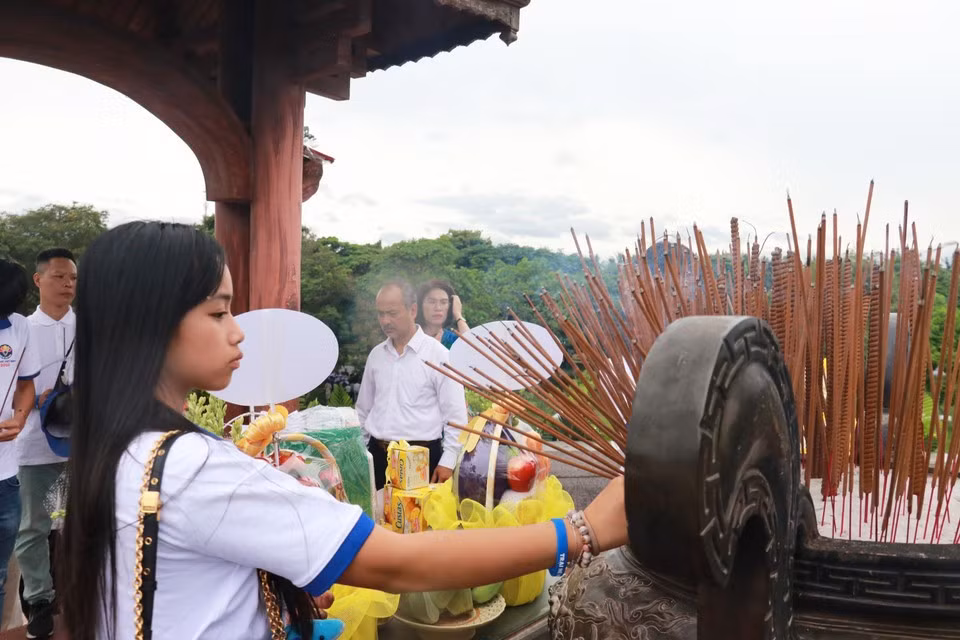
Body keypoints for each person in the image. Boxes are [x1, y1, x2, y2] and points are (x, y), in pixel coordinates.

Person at [58, 222, 626, 639]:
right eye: (218, 313)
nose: (238, 333)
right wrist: (580, 531)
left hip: (427, 452)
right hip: (385, 449)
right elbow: (394, 562)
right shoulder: (197, 468)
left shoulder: (124, 450)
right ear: (148, 323)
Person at [16, 248, 77, 639]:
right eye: (58, 276)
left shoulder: (90, 326)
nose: (68, 283)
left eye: (72, 277)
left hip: (84, 442)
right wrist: (32, 398)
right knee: (34, 526)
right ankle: (39, 600)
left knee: (89, 522)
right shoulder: (19, 329)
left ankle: (86, 593)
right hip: (33, 442)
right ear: (38, 280)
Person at [357, 281, 466, 487]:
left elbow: (456, 415)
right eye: (381, 314)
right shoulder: (376, 355)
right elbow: (364, 409)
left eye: (392, 313)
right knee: (378, 517)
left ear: (413, 310)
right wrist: (361, 454)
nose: (385, 320)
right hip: (377, 455)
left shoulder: (438, 354)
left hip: (421, 459)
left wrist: (449, 461)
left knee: (419, 518)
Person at [0, 259, 39, 617]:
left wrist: (20, 417)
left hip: (4, 479)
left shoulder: (20, 326)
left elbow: (26, 383)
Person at [416, 280, 469, 349]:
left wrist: (458, 315)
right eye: (432, 302)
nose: (438, 308)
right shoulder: (411, 335)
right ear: (420, 305)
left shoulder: (451, 339)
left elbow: (475, 348)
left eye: (443, 302)